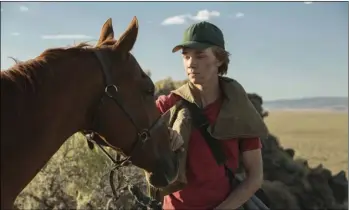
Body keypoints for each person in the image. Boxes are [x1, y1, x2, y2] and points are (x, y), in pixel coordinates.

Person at [149, 21, 269, 210]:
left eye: (200, 56)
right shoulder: (168, 104)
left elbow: (255, 177)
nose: (191, 63)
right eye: (186, 56)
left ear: (219, 59)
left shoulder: (237, 108)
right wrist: (162, 137)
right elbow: (129, 133)